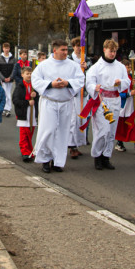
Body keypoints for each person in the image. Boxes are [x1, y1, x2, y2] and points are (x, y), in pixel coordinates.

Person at [31, 39, 85, 174]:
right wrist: (50, 84)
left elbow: (80, 79)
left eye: (67, 50)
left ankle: (58, 161)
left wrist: (68, 83)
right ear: (54, 50)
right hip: (49, 102)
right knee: (48, 130)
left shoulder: (73, 65)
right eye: (63, 50)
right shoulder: (44, 65)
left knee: (62, 132)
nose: (66, 52)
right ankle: (45, 159)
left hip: (65, 103)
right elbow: (35, 80)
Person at [85, 39, 131, 170]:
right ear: (104, 50)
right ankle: (97, 156)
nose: (113, 54)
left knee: (111, 131)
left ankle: (106, 157)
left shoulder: (120, 67)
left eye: (115, 51)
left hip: (115, 100)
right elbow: (89, 82)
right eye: (111, 51)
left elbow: (127, 82)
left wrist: (120, 82)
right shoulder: (96, 67)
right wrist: (95, 87)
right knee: (102, 131)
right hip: (101, 101)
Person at [11, 66, 38, 162]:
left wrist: (36, 96)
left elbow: (38, 100)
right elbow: (15, 100)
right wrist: (27, 102)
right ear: (22, 75)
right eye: (27, 74)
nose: (29, 75)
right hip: (23, 113)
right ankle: (25, 152)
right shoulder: (20, 86)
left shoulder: (34, 86)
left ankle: (30, 151)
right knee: (24, 134)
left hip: (32, 113)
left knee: (30, 133)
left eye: (31, 73)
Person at [0, 43, 17, 117]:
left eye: (8, 48)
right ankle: (4, 108)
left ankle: (7, 109)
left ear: (9, 49)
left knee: (8, 94)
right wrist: (3, 78)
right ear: (3, 49)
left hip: (10, 80)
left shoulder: (13, 58)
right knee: (4, 94)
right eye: (5, 48)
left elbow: (14, 69)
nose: (6, 50)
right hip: (3, 80)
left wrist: (10, 78)